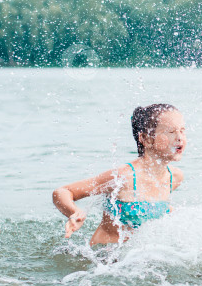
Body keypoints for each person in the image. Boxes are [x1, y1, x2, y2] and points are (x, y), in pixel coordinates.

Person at [52, 103, 185, 246]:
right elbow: (63, 191)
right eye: (171, 132)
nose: (179, 138)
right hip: (100, 260)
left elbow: (149, 206)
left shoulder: (174, 177)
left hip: (134, 259)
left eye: (182, 131)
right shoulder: (124, 177)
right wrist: (74, 212)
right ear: (146, 139)